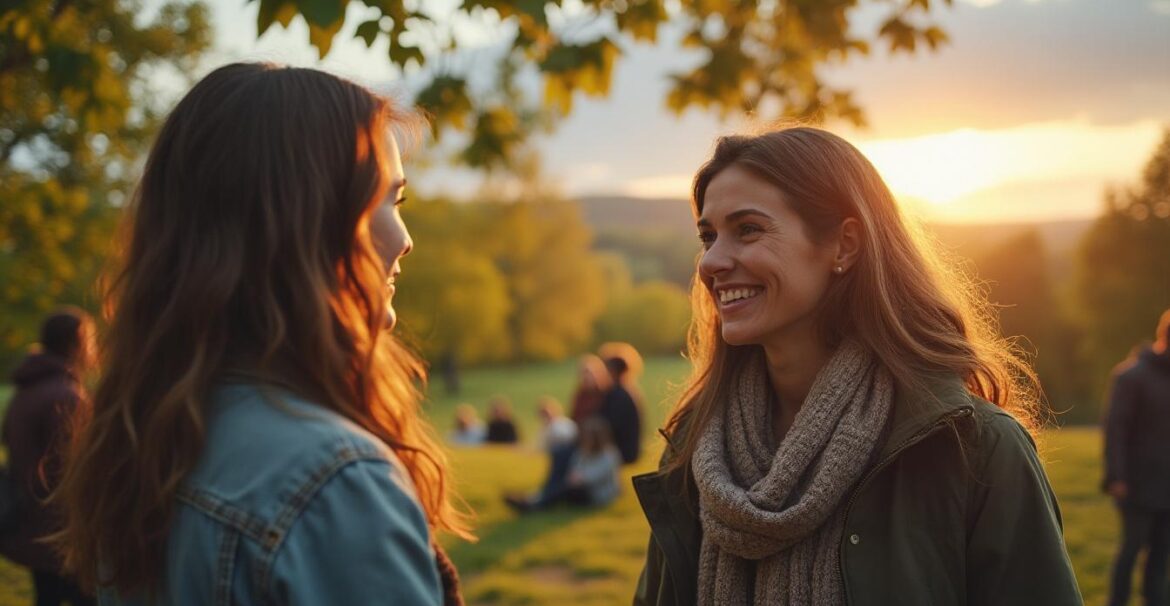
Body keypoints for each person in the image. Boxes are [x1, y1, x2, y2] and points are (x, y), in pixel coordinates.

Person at [52, 63, 470, 605]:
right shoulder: (333, 481)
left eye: (401, 202)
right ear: (300, 222)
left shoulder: (149, 436)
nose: (406, 239)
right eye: (382, 200)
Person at [633, 127, 1081, 606]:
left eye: (748, 229)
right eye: (708, 236)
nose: (712, 262)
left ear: (844, 245)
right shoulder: (699, 450)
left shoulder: (972, 450)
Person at [1, 308, 96, 606]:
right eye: (90, 341)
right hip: (61, 534)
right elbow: (76, 469)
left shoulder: (26, 390)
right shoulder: (66, 396)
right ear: (76, 342)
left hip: (31, 524)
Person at [1104, 309, 1170, 606]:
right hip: (1136, 485)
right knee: (1131, 550)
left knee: (1161, 556)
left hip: (1167, 487)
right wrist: (1116, 476)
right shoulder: (1131, 376)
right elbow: (1116, 429)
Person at [508, 418, 622, 512]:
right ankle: (535, 499)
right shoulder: (584, 451)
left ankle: (535, 504)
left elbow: (593, 477)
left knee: (565, 487)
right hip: (580, 485)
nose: (586, 439)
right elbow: (576, 464)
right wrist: (575, 476)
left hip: (598, 495)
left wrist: (578, 478)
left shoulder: (609, 455)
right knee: (561, 476)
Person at [597, 342, 644, 465]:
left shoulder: (618, 395)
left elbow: (610, 424)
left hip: (623, 450)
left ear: (612, 371)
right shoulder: (627, 391)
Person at [569, 354, 611, 425]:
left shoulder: (606, 392)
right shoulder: (581, 394)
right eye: (584, 374)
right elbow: (575, 416)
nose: (587, 377)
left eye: (590, 374)